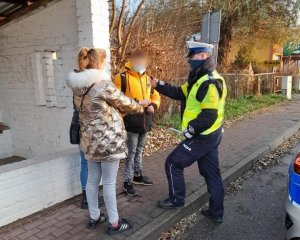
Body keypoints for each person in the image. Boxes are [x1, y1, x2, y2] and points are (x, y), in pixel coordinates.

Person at [67, 47, 144, 234]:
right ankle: (115, 223)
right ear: (100, 63)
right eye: (105, 61)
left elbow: (91, 110)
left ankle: (94, 217)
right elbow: (124, 102)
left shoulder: (77, 88)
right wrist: (139, 106)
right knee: (109, 183)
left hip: (89, 142)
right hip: (109, 142)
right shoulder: (102, 85)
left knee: (93, 180)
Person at [151, 41, 227, 223]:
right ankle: (216, 213)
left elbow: (209, 115)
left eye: (191, 57)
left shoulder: (209, 82)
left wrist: (190, 130)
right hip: (211, 135)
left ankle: (177, 199)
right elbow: (179, 92)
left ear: (202, 56)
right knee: (211, 173)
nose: (189, 61)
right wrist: (158, 84)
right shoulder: (198, 79)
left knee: (172, 163)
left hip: (203, 137)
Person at [114, 50, 161, 195]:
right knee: (131, 151)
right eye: (138, 61)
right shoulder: (122, 77)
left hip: (145, 120)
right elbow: (117, 99)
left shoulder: (148, 79)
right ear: (132, 61)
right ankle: (127, 181)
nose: (140, 64)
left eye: (143, 61)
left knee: (139, 150)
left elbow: (156, 96)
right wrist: (137, 102)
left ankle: (138, 175)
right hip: (131, 120)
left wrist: (153, 105)